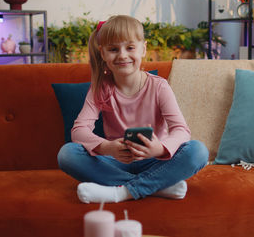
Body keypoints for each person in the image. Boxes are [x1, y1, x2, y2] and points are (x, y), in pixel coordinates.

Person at [57, 15, 208, 203]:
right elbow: (79, 131)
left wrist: (159, 149)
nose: (122, 55)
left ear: (143, 49)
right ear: (102, 53)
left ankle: (122, 192)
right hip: (115, 163)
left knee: (198, 151)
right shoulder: (100, 88)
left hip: (155, 161)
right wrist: (108, 148)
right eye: (113, 49)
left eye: (130, 48)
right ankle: (156, 187)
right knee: (67, 154)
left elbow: (181, 130)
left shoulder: (159, 87)